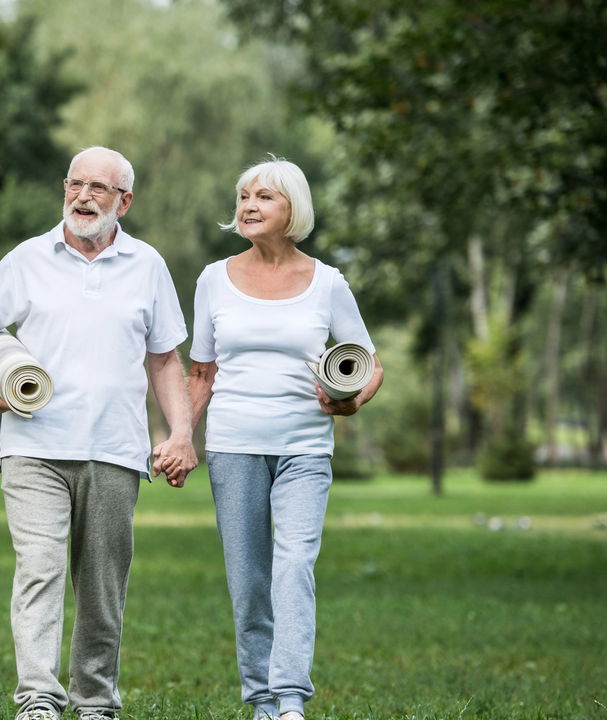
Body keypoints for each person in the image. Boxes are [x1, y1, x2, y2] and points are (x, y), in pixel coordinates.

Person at [0, 146, 198, 720]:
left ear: (124, 202)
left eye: (99, 188)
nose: (83, 197)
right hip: (33, 446)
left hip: (115, 448)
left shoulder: (148, 266)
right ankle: (38, 699)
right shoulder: (26, 259)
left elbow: (164, 361)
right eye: (75, 184)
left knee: (102, 586)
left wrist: (181, 433)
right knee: (40, 568)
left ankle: (95, 701)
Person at [185, 157, 383, 720]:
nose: (248, 206)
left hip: (305, 446)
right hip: (234, 444)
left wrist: (350, 399)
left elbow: (369, 365)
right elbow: (202, 372)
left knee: (294, 565)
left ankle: (290, 699)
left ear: (292, 209)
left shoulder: (327, 282)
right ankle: (261, 701)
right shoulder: (212, 279)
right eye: (244, 196)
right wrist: (181, 436)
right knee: (248, 580)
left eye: (264, 197)